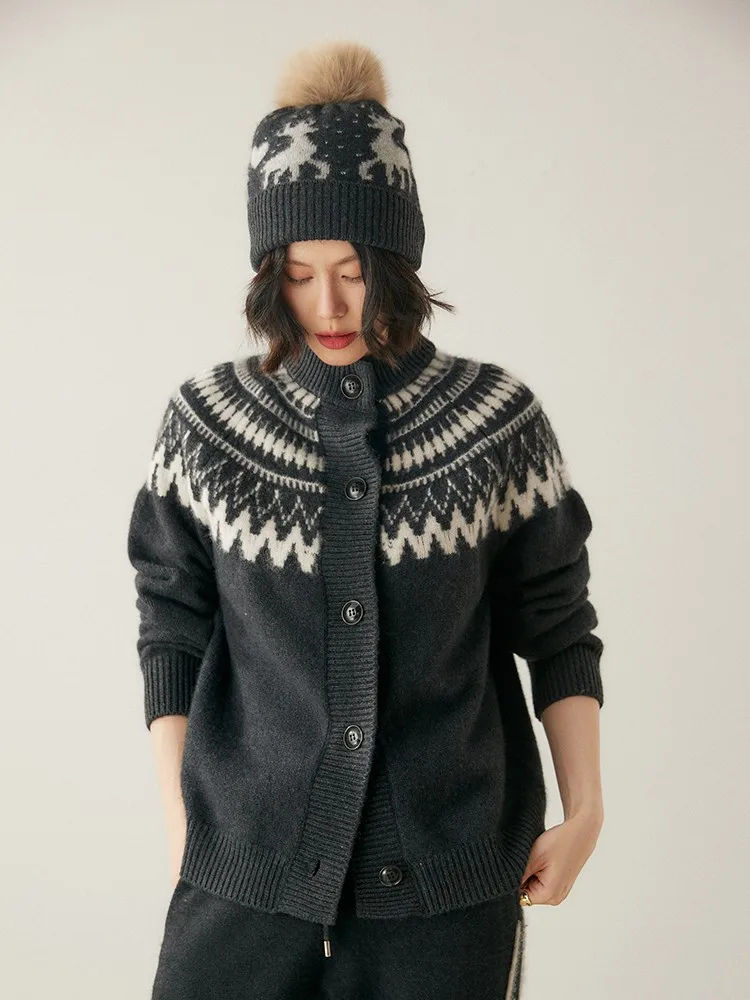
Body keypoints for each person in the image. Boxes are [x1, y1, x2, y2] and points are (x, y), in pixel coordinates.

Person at [126, 40, 605, 1000]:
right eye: (298, 274)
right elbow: (172, 624)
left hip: (447, 888)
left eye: (352, 270)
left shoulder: (495, 421)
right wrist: (183, 824)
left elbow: (557, 626)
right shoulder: (207, 423)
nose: (329, 305)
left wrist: (585, 809)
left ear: (397, 261)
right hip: (240, 876)